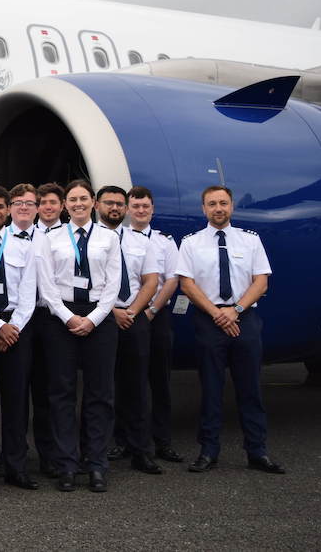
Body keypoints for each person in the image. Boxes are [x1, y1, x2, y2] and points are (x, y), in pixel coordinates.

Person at [176, 186, 285, 475]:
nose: (218, 208)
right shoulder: (191, 243)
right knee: (211, 390)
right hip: (208, 320)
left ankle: (257, 452)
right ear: (203, 209)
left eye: (223, 203)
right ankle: (208, 451)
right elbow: (187, 284)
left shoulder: (250, 241)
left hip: (244, 318)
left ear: (232, 207)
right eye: (212, 204)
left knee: (250, 389)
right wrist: (217, 313)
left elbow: (261, 282)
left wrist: (234, 311)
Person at [35, 179, 121, 493]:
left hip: (99, 317)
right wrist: (70, 318)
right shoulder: (50, 238)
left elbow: (113, 285)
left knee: (100, 394)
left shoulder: (109, 238)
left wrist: (93, 319)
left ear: (94, 203)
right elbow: (46, 286)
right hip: (61, 318)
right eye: (72, 200)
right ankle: (67, 464)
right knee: (61, 394)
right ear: (65, 205)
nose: (78, 204)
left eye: (84, 199)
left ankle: (96, 464)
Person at [95, 185, 162, 475]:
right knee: (102, 387)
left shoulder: (140, 241)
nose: (114, 208)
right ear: (97, 205)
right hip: (102, 318)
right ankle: (102, 449)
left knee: (136, 387)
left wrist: (132, 312)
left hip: (134, 318)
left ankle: (141, 451)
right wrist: (112, 311)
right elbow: (88, 285)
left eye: (119, 204)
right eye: (109, 203)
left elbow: (151, 281)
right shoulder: (90, 241)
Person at [0, 183, 39, 490]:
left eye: (0, 207)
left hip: (17, 330)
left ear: (8, 210)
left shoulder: (24, 245)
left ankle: (16, 466)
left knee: (16, 402)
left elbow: (29, 293)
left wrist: (11, 328)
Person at [126, 186, 184, 463]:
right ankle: (124, 439)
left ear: (152, 210)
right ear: (128, 209)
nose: (140, 211)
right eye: (135, 206)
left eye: (145, 206)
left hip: (155, 315)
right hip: (127, 314)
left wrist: (151, 309)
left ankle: (162, 440)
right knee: (126, 379)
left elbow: (172, 279)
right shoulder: (118, 238)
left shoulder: (164, 241)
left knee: (159, 379)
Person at [28, 182, 64, 476]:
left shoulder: (67, 237)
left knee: (49, 389)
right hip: (21, 319)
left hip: (52, 317)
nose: (48, 207)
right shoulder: (25, 234)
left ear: (61, 205)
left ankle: (51, 455)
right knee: (17, 390)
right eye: (44, 203)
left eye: (54, 202)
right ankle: (14, 456)